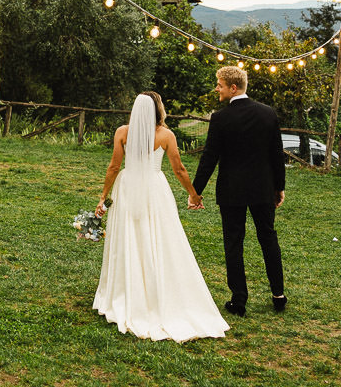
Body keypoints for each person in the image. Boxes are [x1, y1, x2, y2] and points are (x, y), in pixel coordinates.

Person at [92, 91, 229, 341]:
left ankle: (127, 290)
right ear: (158, 109)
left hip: (127, 186)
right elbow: (179, 168)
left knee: (128, 236)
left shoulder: (123, 132)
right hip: (155, 190)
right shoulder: (165, 135)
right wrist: (194, 194)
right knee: (158, 236)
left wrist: (103, 196)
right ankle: (156, 289)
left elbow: (114, 166)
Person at [190, 65, 287, 317]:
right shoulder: (268, 114)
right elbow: (277, 155)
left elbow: (209, 158)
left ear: (233, 88)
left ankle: (239, 300)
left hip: (232, 190)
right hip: (263, 188)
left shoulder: (221, 118)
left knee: (234, 242)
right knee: (268, 237)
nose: (217, 89)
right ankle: (278, 294)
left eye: (219, 85)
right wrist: (279, 187)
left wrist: (195, 191)